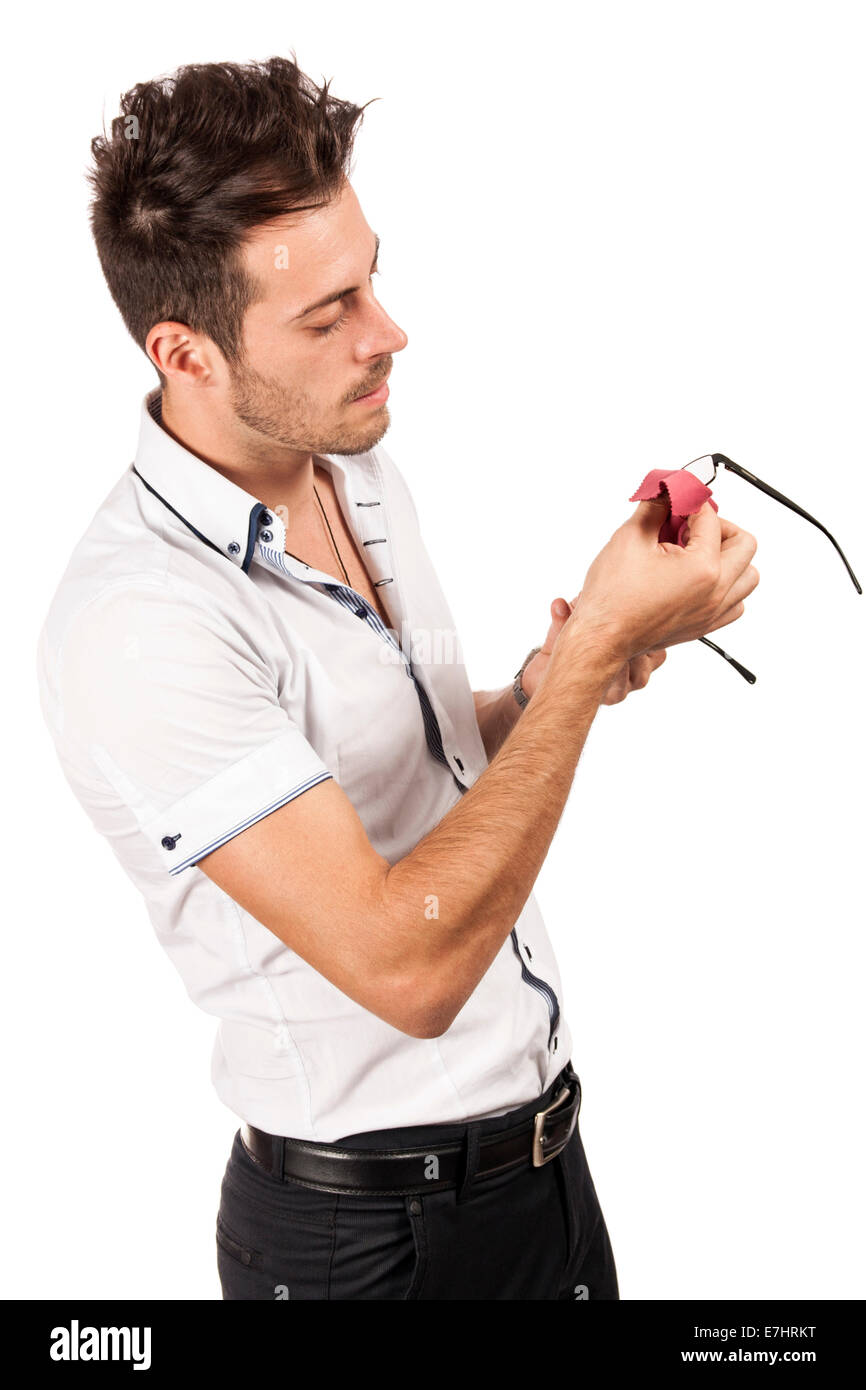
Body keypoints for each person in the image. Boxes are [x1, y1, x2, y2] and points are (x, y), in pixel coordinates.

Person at [35, 54, 759, 1300]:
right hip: (367, 1246)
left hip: (544, 1175)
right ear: (186, 352)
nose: (388, 333)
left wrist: (534, 692)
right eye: (328, 314)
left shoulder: (345, 463)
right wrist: (586, 660)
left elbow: (398, 769)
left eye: (371, 278)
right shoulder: (139, 623)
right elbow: (405, 964)